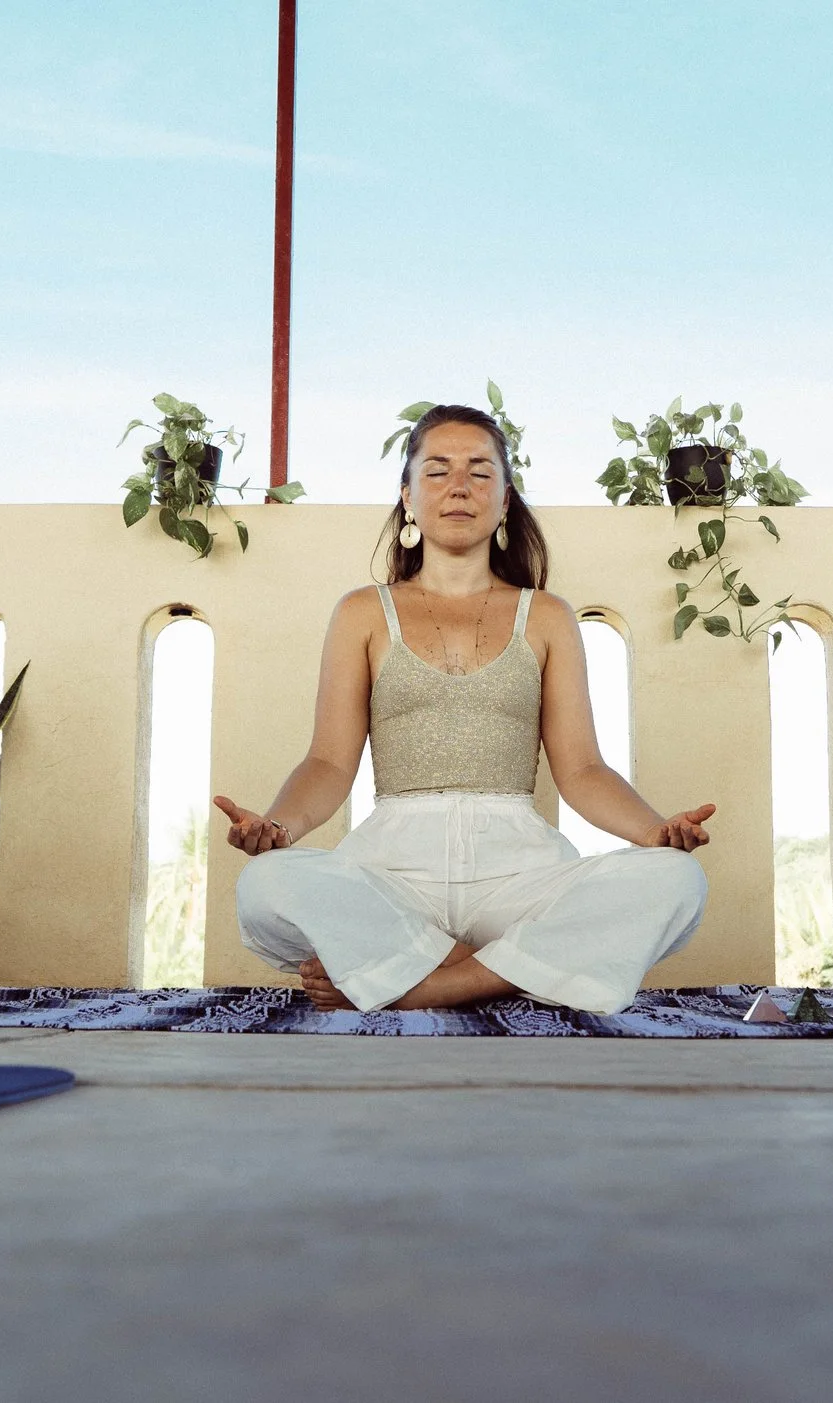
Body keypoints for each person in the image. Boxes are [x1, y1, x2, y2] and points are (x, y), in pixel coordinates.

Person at [214, 404, 715, 1013]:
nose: (458, 487)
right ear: (407, 497)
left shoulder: (547, 615)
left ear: (505, 501)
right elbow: (327, 761)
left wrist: (655, 833)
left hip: (518, 876)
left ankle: (420, 982)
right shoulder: (362, 613)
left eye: (480, 472)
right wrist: (279, 827)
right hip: (390, 876)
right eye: (437, 471)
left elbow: (582, 769)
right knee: (264, 885)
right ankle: (511, 967)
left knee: (675, 880)